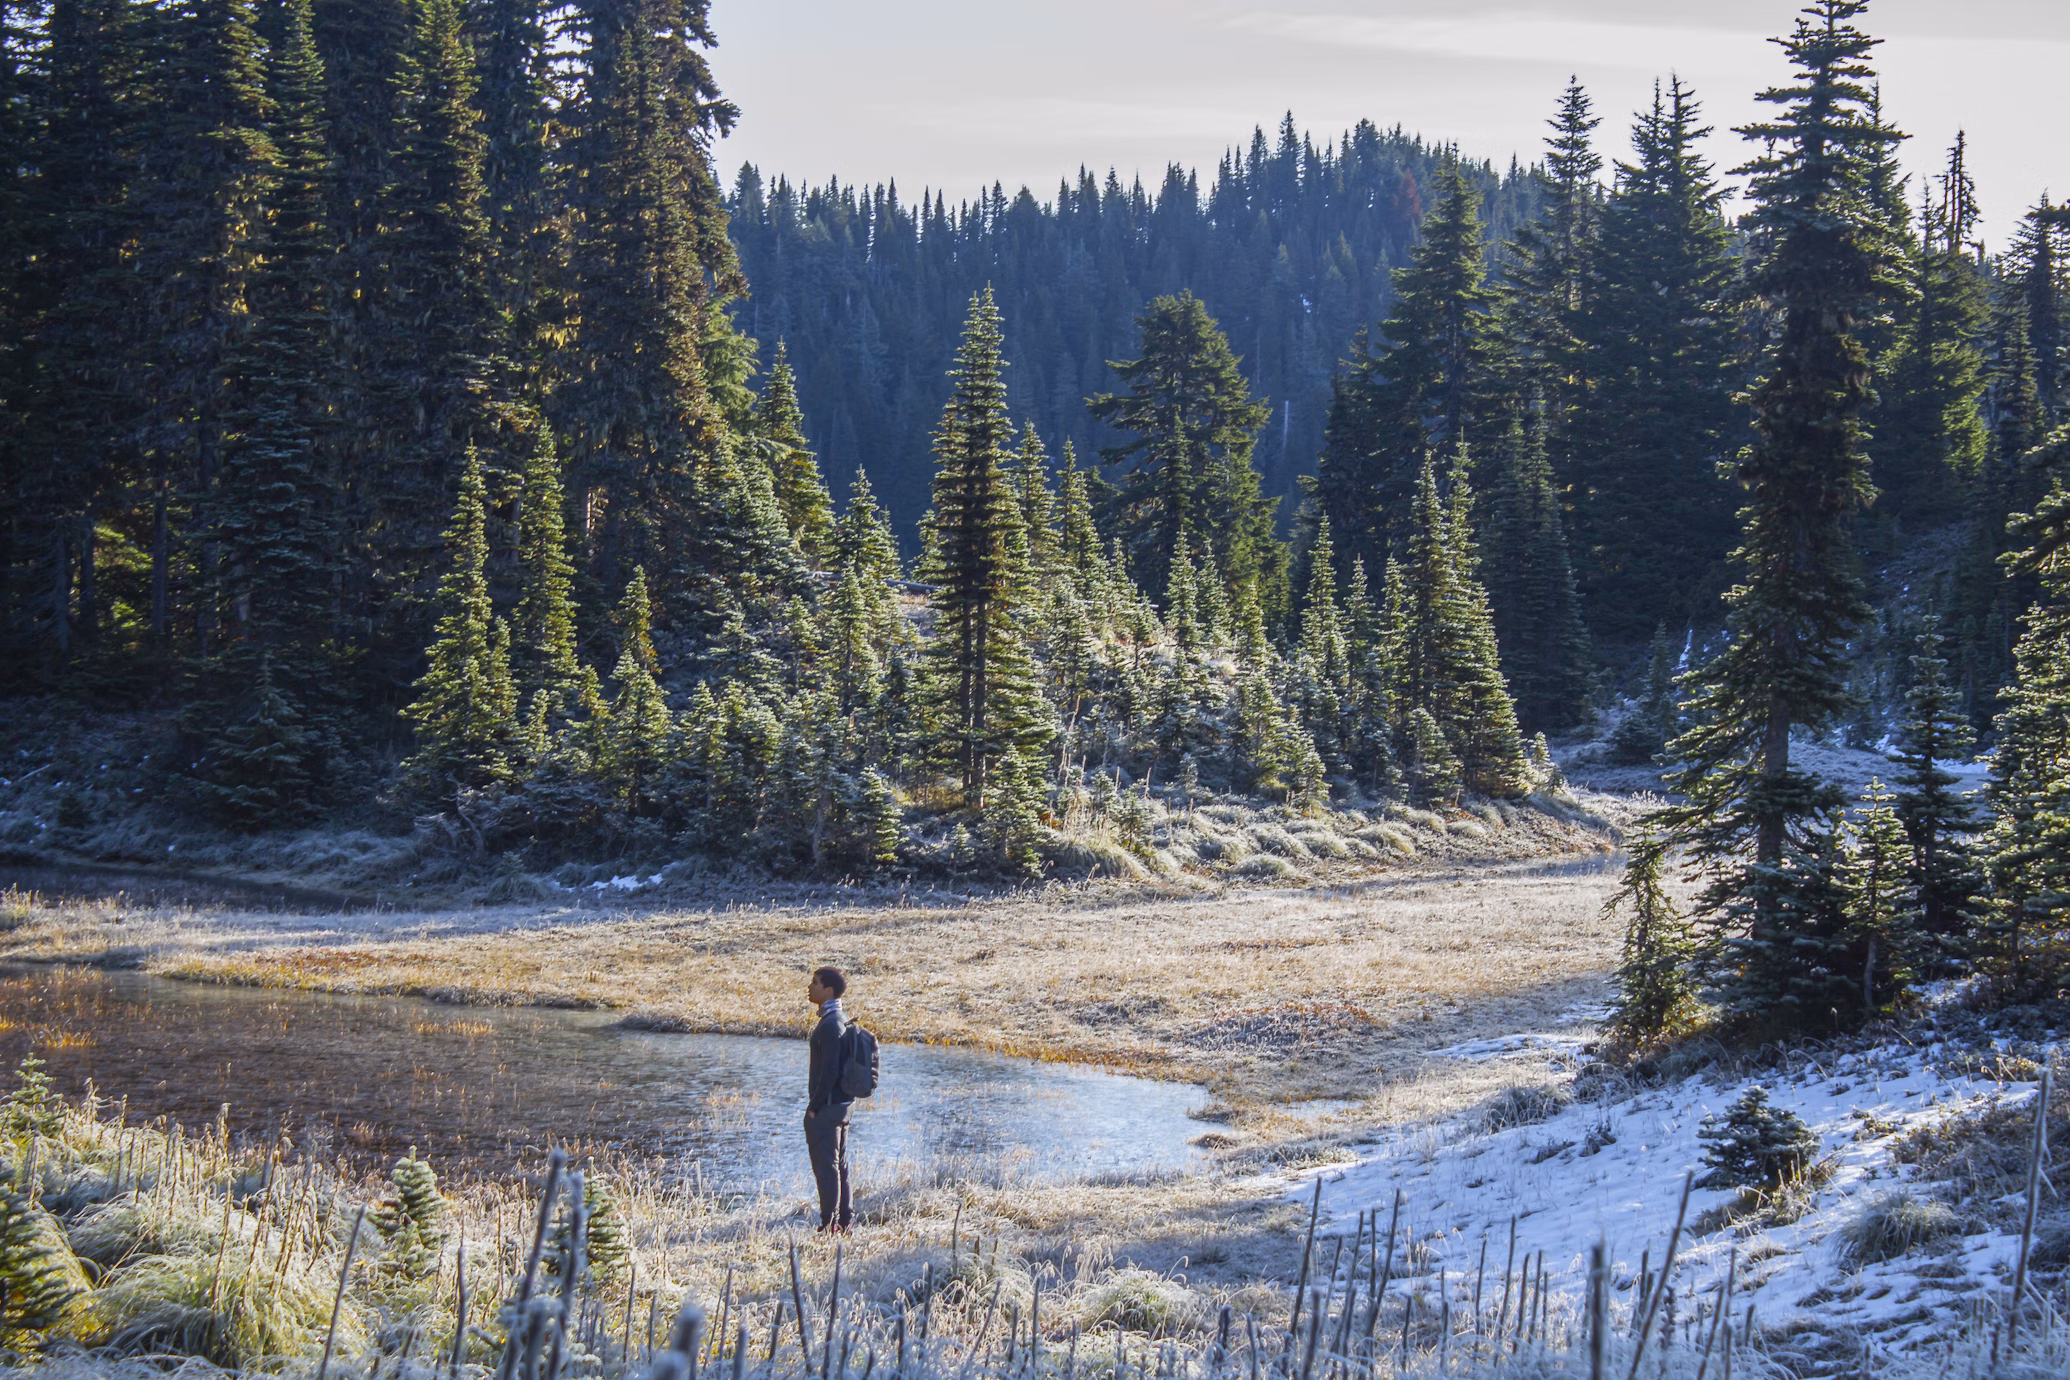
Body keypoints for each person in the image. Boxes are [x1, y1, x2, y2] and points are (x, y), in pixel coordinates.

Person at [804, 965, 854, 1232]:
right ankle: (843, 1221)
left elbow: (830, 1071)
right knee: (839, 1166)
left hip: (828, 1108)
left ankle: (829, 1223)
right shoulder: (840, 1019)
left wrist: (814, 1107)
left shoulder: (831, 1025)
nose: (809, 988)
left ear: (829, 990)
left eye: (815, 983)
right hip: (841, 1106)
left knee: (827, 1168)